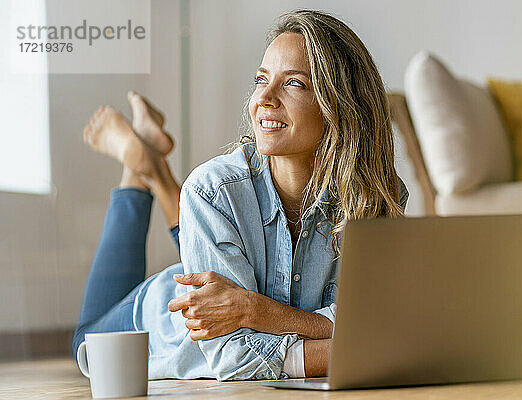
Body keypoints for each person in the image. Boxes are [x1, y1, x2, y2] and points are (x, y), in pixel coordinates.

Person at [72, 9, 409, 381]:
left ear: (341, 105)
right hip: (161, 323)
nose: (263, 97)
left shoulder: (374, 196)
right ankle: (137, 171)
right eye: (260, 79)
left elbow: (377, 324)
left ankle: (146, 161)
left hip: (231, 259)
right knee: (82, 341)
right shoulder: (211, 188)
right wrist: (351, 343)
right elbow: (235, 356)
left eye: (294, 83)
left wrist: (254, 309)